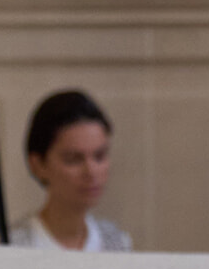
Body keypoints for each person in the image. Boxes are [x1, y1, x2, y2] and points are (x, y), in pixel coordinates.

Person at [9, 91, 133, 252]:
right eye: (73, 159)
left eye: (99, 156)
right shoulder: (13, 245)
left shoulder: (116, 243)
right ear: (38, 164)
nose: (91, 171)